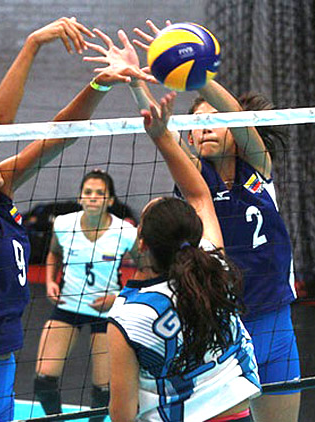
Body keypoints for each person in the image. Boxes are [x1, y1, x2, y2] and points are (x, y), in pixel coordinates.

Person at [0, 18, 152, 422]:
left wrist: (103, 83)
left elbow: (61, 134)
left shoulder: (0, 191)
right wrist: (32, 44)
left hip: (1, 369)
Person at [110, 20, 299, 422]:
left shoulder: (258, 169)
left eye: (214, 120)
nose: (206, 127)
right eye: (196, 125)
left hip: (276, 321)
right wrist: (136, 83)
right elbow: (162, 133)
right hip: (225, 325)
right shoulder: (197, 181)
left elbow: (239, 119)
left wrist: (199, 74)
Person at [107, 91, 261, 421]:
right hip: (238, 414)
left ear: (142, 243)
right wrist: (161, 135)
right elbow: (199, 194)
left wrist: (157, 126)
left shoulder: (127, 315)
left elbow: (122, 413)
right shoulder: (213, 267)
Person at [34, 169, 137, 421]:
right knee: (43, 380)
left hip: (106, 313)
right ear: (80, 197)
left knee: (103, 390)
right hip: (68, 306)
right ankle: (56, 419)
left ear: (110, 200)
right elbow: (53, 254)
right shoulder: (63, 224)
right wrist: (50, 281)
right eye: (88, 192)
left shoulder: (125, 232)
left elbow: (146, 270)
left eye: (100, 193)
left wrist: (119, 298)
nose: (92, 197)